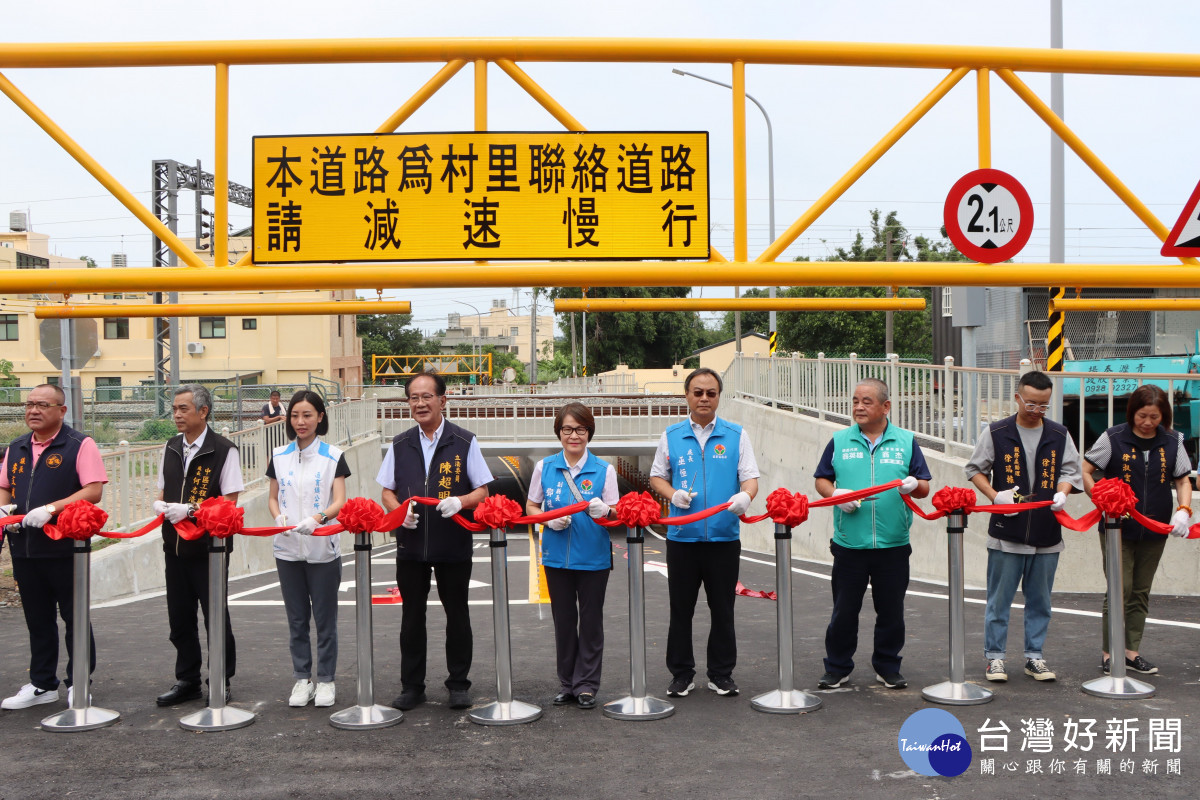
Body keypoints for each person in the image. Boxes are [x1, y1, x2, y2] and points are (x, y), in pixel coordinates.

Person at [376, 372, 493, 711]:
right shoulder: (400, 444)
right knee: (411, 617)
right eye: (414, 397)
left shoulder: (464, 441)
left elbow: (483, 489)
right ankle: (412, 687)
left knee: (457, 614)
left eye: (427, 396)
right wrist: (399, 512)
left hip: (452, 542)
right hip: (411, 545)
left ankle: (458, 684)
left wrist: (462, 501)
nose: (420, 403)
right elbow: (387, 489)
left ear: (443, 400)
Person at [964, 371, 1082, 683]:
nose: (1036, 410)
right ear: (1017, 398)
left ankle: (1035, 656)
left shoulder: (1059, 434)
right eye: (1030, 404)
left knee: (1040, 600)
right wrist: (994, 496)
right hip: (1007, 532)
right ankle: (995, 658)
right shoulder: (997, 432)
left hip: (1047, 531)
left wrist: (1062, 492)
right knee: (999, 600)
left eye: (1043, 406)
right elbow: (975, 468)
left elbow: (1071, 470)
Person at [814, 378, 930, 691]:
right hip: (849, 544)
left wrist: (912, 485)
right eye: (855, 401)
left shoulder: (906, 441)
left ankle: (887, 666)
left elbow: (924, 486)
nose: (859, 407)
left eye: (866, 401)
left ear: (885, 406)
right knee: (844, 611)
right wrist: (838, 493)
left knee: (891, 612)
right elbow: (821, 481)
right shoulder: (839, 441)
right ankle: (837, 667)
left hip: (893, 545)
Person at [649, 367, 759, 698]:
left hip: (724, 539)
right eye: (697, 392)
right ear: (687, 396)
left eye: (711, 393)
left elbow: (750, 477)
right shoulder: (671, 435)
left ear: (718, 397)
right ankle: (681, 674)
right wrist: (672, 495)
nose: (704, 398)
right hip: (682, 540)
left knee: (723, 610)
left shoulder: (736, 434)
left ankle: (721, 674)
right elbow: (657, 477)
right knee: (680, 610)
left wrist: (746, 496)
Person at [0, 384, 106, 710]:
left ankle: (79, 683)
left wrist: (51, 509)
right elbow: (4, 487)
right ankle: (42, 683)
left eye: (43, 405)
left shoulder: (78, 444)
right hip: (25, 548)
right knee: (37, 618)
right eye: (29, 404)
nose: (34, 410)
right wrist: (6, 512)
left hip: (66, 548)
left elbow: (92, 490)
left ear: (61, 410)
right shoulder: (16, 447)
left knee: (74, 617)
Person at [1083, 384, 1192, 676]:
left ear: (1164, 416)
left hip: (1154, 528)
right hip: (1117, 527)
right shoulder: (1113, 438)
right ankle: (1110, 653)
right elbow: (1085, 470)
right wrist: (1101, 498)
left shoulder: (1173, 441)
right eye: (1142, 416)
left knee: (1141, 591)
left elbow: (1182, 479)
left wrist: (1184, 510)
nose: (1147, 423)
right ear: (1132, 413)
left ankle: (1131, 651)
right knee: (1121, 589)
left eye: (1154, 417)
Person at [151, 384, 244, 706]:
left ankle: (220, 678)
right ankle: (187, 679)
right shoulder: (172, 446)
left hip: (210, 550)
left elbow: (230, 502)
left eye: (183, 409)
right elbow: (164, 490)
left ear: (203, 412)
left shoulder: (223, 450)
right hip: (174, 547)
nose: (176, 415)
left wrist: (191, 510)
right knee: (179, 618)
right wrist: (161, 505)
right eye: (175, 409)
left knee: (215, 616)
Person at [525, 402, 618, 709]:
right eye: (567, 429)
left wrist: (605, 511)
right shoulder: (545, 467)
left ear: (589, 432)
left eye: (580, 429)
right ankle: (567, 683)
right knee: (564, 623)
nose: (574, 435)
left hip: (593, 559)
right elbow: (532, 506)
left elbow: (616, 514)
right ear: (559, 432)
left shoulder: (605, 470)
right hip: (555, 559)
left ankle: (587, 684)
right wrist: (546, 519)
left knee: (591, 623)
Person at [267, 390, 350, 709]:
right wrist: (278, 517)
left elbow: (339, 500)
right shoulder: (278, 455)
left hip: (322, 550)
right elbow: (272, 497)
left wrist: (318, 518)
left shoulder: (333, 456)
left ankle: (326, 680)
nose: (301, 422)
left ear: (320, 417)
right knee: (297, 619)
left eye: (307, 415)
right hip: (287, 549)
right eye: (295, 416)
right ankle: (302, 679)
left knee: (325, 620)